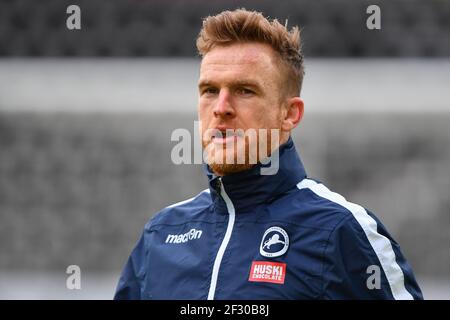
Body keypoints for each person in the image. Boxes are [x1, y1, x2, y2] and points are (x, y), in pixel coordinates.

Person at [114, 9, 423, 300]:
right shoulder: (162, 233)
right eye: (209, 90)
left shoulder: (341, 230)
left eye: (245, 91)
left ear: (289, 114)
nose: (221, 107)